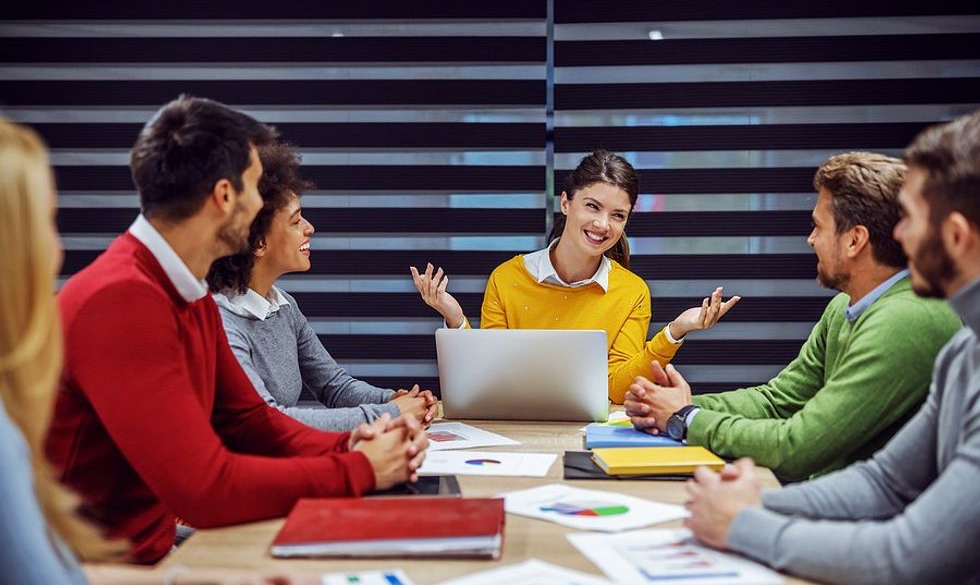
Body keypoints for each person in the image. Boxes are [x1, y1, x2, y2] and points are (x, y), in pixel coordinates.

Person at [44, 97, 428, 565]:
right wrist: (358, 470)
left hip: (156, 553)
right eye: (254, 188)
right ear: (225, 197)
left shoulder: (188, 289)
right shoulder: (123, 299)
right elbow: (204, 488)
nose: (260, 202)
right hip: (110, 570)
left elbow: (250, 423)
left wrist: (348, 444)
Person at [0, 119, 322, 584]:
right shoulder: (123, 302)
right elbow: (209, 477)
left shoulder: (200, 299)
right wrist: (363, 460)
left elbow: (64, 571)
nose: (56, 252)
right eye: (46, 225)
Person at [683, 111, 980, 584]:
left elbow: (905, 557)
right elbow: (885, 481)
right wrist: (755, 502)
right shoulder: (965, 353)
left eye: (913, 220)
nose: (899, 236)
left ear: (957, 236)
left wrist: (742, 524)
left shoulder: (915, 323)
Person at [625, 152, 961, 481]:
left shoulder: (905, 321)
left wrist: (686, 418)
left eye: (818, 226)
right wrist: (671, 406)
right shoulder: (845, 307)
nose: (810, 239)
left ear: (855, 240)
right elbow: (777, 402)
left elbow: (796, 448)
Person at [411, 150, 739, 404]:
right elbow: (485, 375)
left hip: (586, 433)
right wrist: (455, 318)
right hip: (511, 430)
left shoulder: (631, 291)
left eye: (617, 215)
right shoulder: (508, 278)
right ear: (566, 203)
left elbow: (617, 389)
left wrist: (676, 331)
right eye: (592, 206)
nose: (603, 225)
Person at [207, 141, 437, 432]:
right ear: (257, 242)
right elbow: (269, 422)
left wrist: (398, 399)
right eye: (295, 221)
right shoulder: (221, 324)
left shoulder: (284, 307)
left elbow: (334, 386)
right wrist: (391, 413)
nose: (309, 227)